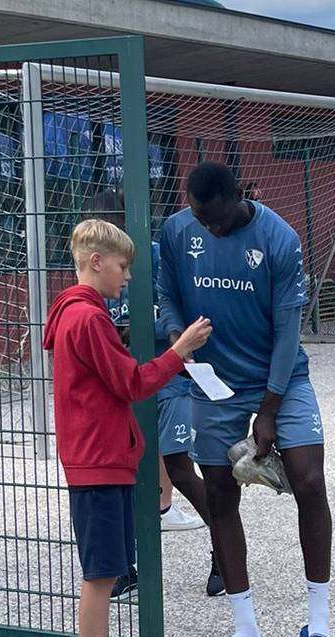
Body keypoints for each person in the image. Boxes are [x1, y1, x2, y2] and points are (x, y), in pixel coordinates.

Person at [157, 162, 335, 637]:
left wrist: (270, 409)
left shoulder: (279, 239)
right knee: (219, 495)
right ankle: (246, 632)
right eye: (201, 218)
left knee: (309, 481)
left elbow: (287, 332)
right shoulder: (176, 231)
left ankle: (319, 625)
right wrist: (178, 339)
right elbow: (168, 295)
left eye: (217, 218)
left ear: (239, 195)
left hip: (281, 378)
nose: (210, 228)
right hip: (213, 382)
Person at [45, 218, 213, 637]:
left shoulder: (79, 313)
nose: (128, 276)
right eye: (122, 266)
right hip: (97, 462)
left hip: (101, 459)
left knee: (107, 571)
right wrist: (178, 351)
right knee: (101, 576)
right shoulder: (88, 318)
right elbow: (132, 383)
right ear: (96, 262)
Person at [82, 190, 221, 601]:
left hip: (168, 380)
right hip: (125, 384)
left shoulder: (158, 258)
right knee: (123, 474)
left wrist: (144, 329)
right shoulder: (92, 273)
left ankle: (224, 551)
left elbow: (184, 314)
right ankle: (124, 569)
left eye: (112, 228)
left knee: (179, 468)